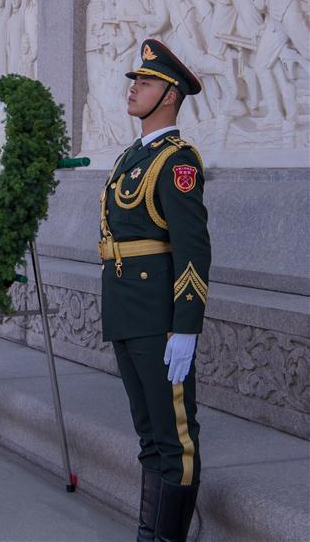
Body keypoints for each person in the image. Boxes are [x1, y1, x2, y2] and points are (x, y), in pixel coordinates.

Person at [99, 39, 211, 542]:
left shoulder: (177, 161)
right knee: (148, 433)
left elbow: (193, 248)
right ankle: (151, 531)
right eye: (135, 80)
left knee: (175, 437)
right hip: (126, 311)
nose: (134, 88)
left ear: (169, 95)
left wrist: (185, 328)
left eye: (144, 82)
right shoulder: (131, 157)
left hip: (159, 317)